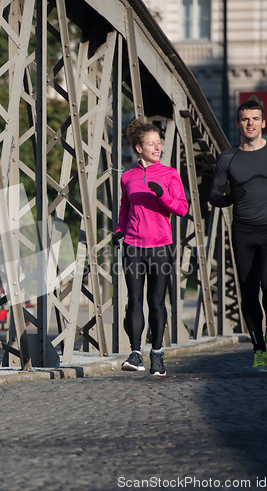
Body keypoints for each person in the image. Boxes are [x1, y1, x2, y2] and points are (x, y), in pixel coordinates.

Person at [210, 99, 267, 372]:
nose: (250, 123)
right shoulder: (228, 158)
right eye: (244, 119)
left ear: (263, 122)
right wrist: (228, 198)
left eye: (255, 119)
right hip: (243, 232)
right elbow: (214, 195)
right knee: (249, 292)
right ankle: (258, 348)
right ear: (238, 123)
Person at [113, 119, 189, 375]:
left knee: (156, 302)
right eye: (151, 144)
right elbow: (125, 207)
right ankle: (136, 354)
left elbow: (182, 208)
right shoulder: (128, 177)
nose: (157, 148)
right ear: (138, 148)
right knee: (134, 301)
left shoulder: (169, 175)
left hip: (160, 247)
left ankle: (157, 353)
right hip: (133, 245)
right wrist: (119, 229)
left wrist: (162, 195)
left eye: (159, 143)